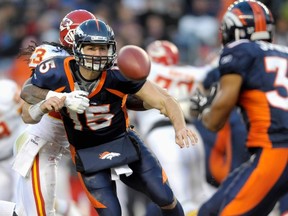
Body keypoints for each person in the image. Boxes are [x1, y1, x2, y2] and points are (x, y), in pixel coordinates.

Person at [22, 18, 198, 216]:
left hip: (121, 140)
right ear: (77, 48)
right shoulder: (57, 71)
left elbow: (165, 99)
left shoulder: (119, 73)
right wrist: (55, 97)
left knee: (164, 197)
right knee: (111, 213)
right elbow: (27, 91)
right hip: (87, 151)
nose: (98, 54)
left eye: (103, 48)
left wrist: (180, 126)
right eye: (91, 48)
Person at [190, 0, 288, 215]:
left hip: (276, 151)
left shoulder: (239, 50)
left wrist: (205, 110)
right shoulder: (283, 53)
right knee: (209, 210)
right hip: (270, 152)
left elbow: (215, 122)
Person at [12, 9, 97, 216]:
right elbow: (27, 97)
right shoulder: (54, 56)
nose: (97, 48)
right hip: (40, 143)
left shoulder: (93, 61)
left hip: (62, 147)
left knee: (26, 212)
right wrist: (61, 97)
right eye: (91, 41)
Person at [127, 40, 215, 215]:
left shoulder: (144, 71)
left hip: (160, 135)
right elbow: (212, 71)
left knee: (180, 198)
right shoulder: (190, 73)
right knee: (202, 193)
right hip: (190, 132)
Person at [0, 79, 26, 216]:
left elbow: (28, 106)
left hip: (18, 155)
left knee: (23, 204)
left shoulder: (5, 90)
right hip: (1, 163)